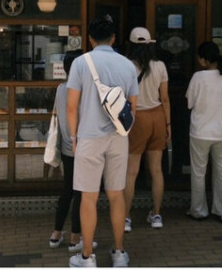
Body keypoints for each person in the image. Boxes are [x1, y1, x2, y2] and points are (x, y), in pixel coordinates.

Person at [66, 17, 139, 267]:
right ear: (114, 38)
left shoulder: (80, 63)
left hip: (88, 137)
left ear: (90, 39)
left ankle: (87, 257)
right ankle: (119, 253)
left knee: (89, 197)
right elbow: (133, 107)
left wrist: (74, 138)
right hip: (119, 138)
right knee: (117, 195)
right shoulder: (128, 65)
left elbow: (71, 107)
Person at [49, 50, 98, 253]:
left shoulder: (61, 88)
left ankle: (56, 234)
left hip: (67, 149)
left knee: (67, 190)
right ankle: (75, 238)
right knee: (81, 194)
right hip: (82, 146)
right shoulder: (83, 90)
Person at [123, 27, 171, 231]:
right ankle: (157, 214)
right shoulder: (160, 66)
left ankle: (125, 217)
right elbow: (165, 98)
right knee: (156, 170)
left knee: (131, 172)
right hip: (157, 116)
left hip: (137, 117)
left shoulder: (125, 66)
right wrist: (168, 125)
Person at [185, 41, 222, 222]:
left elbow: (189, 103)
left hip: (200, 131)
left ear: (204, 59)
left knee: (199, 172)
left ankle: (198, 210)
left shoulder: (198, 78)